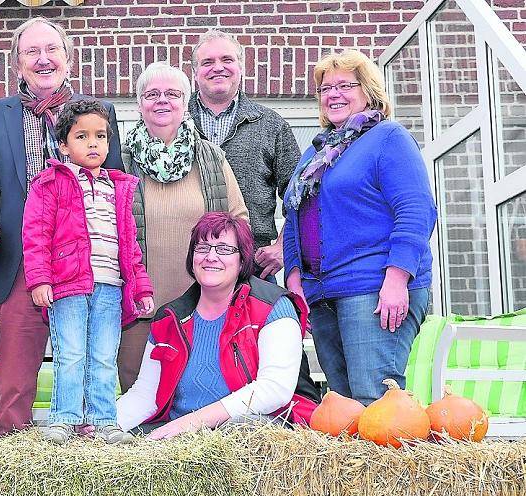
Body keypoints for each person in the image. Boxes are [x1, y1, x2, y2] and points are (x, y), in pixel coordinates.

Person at [0, 17, 126, 437]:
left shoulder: (100, 113)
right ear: (17, 64)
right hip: (22, 264)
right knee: (14, 382)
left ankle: (87, 460)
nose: (43, 60)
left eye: (51, 50)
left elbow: (116, 189)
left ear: (68, 58)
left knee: (89, 362)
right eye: (32, 52)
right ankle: (13, 462)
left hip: (89, 262)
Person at [283, 50, 437, 405]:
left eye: (344, 86)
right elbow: (293, 217)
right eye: (325, 89)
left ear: (368, 90)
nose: (333, 95)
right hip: (322, 295)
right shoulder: (316, 154)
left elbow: (416, 211)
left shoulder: (388, 138)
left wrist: (396, 279)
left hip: (373, 288)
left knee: (374, 402)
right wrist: (295, 280)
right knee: (344, 408)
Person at [116, 212, 320, 438]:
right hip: (182, 438)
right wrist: (102, 426)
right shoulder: (169, 319)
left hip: (255, 431)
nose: (211, 257)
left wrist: (190, 423)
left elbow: (274, 390)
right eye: (202, 248)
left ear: (242, 259)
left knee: (244, 429)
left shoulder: (274, 307)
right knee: (124, 440)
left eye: (224, 249)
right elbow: (145, 396)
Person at [23, 100, 154, 444]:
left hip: (110, 285)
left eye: (100, 136)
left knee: (104, 356)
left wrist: (141, 288)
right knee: (70, 355)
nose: (92, 143)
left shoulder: (119, 187)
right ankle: (63, 419)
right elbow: (35, 235)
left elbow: (131, 243)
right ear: (63, 146)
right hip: (68, 286)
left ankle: (104, 420)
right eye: (82, 136)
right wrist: (39, 279)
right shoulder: (49, 183)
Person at [117, 61, 248, 392]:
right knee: (138, 394)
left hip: (202, 305)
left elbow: (238, 219)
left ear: (186, 102)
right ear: (139, 104)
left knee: (196, 391)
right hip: (137, 307)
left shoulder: (211, 158)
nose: (162, 100)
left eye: (172, 94)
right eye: (152, 94)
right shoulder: (118, 160)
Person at [188, 30, 301, 282]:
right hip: (187, 268)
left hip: (253, 268)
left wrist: (283, 246)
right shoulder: (175, 122)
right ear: (195, 72)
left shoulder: (271, 125)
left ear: (241, 67)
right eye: (207, 62)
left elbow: (300, 195)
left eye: (226, 60)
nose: (218, 67)